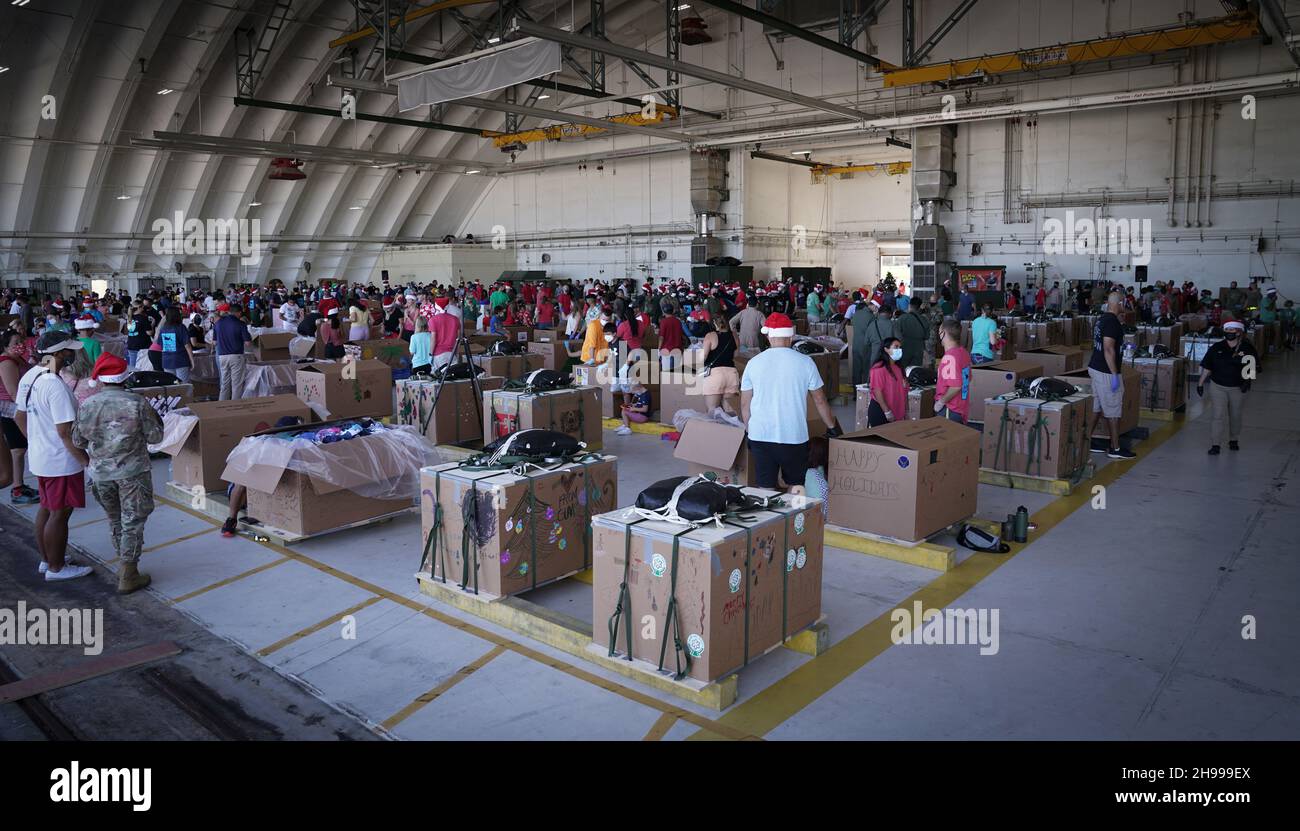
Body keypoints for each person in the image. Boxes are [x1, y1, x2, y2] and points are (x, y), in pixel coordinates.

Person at [71, 353, 163, 594]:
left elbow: (77, 440)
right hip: (133, 472)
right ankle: (128, 571)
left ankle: (124, 566)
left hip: (100, 474)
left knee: (115, 518)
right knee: (133, 521)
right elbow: (156, 437)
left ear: (101, 379)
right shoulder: (136, 402)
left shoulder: (88, 404)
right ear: (125, 377)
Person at [15, 331, 93, 581]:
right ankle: (57, 568)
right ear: (58, 354)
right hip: (61, 461)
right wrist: (85, 461)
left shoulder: (31, 376)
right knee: (60, 513)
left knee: (47, 509)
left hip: (42, 457)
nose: (73, 354)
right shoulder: (54, 385)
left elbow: (19, 416)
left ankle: (47, 559)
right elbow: (64, 432)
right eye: (69, 350)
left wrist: (37, 440)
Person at [740, 313, 840, 490]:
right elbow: (820, 400)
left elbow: (745, 405)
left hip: (760, 435)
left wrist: (749, 431)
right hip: (793, 437)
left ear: (768, 335)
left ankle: (771, 517)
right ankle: (796, 518)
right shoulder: (805, 362)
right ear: (792, 335)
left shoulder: (753, 363)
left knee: (765, 487)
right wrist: (832, 426)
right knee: (795, 486)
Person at [1087, 292, 1137, 459]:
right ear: (1119, 303)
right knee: (1113, 409)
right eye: (1124, 303)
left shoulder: (1102, 319)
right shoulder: (1112, 322)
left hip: (1095, 367)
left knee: (1097, 407)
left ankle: (1086, 440)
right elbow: (1108, 349)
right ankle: (1115, 448)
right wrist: (1115, 375)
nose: (1125, 306)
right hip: (1106, 372)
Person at [1197, 320, 1258, 455]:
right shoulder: (1217, 347)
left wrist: (1247, 381)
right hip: (1217, 386)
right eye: (1227, 330)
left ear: (1239, 332)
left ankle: (1234, 439)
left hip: (1237, 387)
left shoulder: (1247, 348)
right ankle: (1215, 444)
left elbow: (1251, 368)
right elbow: (1208, 366)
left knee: (1235, 415)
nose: (1229, 333)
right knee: (1217, 415)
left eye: (1233, 330)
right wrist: (1200, 383)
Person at [0, 329, 38, 504]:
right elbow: (14, 393)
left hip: (17, 410)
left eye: (21, 341)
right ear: (6, 346)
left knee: (20, 449)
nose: (20, 345)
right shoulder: (6, 362)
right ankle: (17, 489)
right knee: (17, 450)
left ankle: (19, 485)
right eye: (15, 343)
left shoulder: (18, 359)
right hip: (9, 411)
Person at [699, 310, 740, 417]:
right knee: (730, 413)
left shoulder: (710, 336)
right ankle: (730, 433)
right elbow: (735, 354)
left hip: (715, 374)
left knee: (712, 411)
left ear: (713, 323)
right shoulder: (735, 335)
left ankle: (714, 433)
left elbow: (703, 356)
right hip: (732, 374)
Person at [934, 321, 973, 425]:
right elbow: (967, 378)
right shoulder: (963, 352)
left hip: (950, 408)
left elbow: (956, 386)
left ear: (943, 333)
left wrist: (941, 402)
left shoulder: (950, 357)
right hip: (961, 406)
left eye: (939, 332)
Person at [867, 337, 908, 427]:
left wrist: (906, 410)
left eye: (900, 347)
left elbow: (904, 391)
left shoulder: (899, 368)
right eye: (896, 347)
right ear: (886, 349)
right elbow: (877, 391)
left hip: (896, 411)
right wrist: (887, 412)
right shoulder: (878, 368)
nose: (899, 350)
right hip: (881, 412)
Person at [850, 298, 891, 386]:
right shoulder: (871, 317)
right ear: (873, 306)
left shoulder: (856, 314)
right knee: (866, 370)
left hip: (855, 345)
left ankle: (855, 393)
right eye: (876, 308)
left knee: (856, 369)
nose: (876, 310)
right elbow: (872, 333)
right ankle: (864, 390)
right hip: (866, 347)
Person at [213, 304, 250, 399]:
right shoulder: (240, 324)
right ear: (239, 313)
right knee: (236, 384)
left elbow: (214, 342)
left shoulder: (218, 323)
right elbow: (248, 343)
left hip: (222, 356)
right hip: (236, 356)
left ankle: (222, 406)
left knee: (224, 383)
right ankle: (235, 408)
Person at [156, 306, 194, 384]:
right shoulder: (181, 327)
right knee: (183, 386)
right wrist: (192, 361)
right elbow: (187, 345)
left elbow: (159, 344)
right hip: (181, 360)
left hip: (166, 361)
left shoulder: (163, 329)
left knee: (171, 386)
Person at [893, 301, 928, 368]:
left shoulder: (902, 318)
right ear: (919, 308)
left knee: (903, 369)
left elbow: (896, 333)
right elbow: (927, 336)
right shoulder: (924, 319)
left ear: (909, 306)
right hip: (919, 348)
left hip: (905, 347)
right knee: (915, 370)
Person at [657, 300, 685, 372]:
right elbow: (681, 335)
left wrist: (658, 349)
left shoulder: (664, 322)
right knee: (676, 372)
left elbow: (661, 337)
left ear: (663, 312)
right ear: (672, 311)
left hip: (666, 350)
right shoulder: (678, 321)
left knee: (667, 372)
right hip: (678, 349)